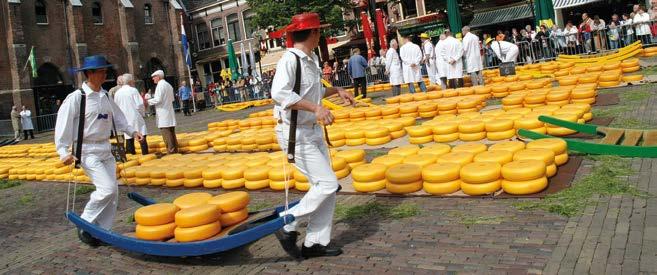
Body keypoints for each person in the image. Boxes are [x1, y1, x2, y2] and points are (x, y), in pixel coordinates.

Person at [271, 12, 355, 259]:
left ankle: (315, 242)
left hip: (312, 131)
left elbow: (314, 91)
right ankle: (286, 222)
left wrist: (336, 90)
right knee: (327, 184)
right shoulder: (289, 60)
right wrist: (316, 108)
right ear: (314, 33)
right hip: (294, 133)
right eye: (320, 31)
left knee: (327, 187)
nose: (322, 35)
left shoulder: (311, 58)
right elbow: (280, 94)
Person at [54, 55, 142, 246]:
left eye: (105, 71)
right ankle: (86, 223)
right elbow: (63, 124)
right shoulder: (77, 98)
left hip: (105, 148)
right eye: (101, 71)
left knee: (114, 192)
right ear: (89, 74)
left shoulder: (105, 96)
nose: (105, 74)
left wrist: (132, 131)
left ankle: (103, 230)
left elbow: (118, 118)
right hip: (87, 150)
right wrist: (63, 151)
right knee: (106, 189)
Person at [114, 74, 149, 155]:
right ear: (130, 81)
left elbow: (116, 108)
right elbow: (140, 104)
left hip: (125, 118)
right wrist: (142, 114)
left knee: (129, 139)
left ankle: (131, 156)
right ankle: (145, 155)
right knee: (142, 137)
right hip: (135, 116)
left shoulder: (118, 93)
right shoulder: (133, 90)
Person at [148, 70, 178, 154]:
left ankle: (171, 151)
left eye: (154, 77)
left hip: (163, 113)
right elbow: (172, 99)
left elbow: (158, 99)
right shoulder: (168, 85)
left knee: (166, 134)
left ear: (158, 77)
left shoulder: (160, 86)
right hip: (169, 112)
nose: (153, 79)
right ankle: (175, 150)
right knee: (172, 133)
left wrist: (148, 101)